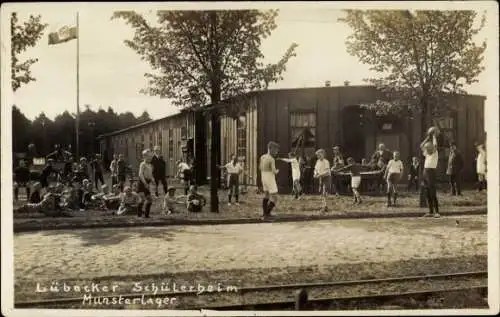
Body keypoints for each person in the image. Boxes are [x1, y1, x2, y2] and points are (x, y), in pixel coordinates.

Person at [421, 127, 440, 218]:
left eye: (428, 147)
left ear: (431, 148)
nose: (426, 149)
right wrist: (427, 138)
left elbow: (435, 145)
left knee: (433, 192)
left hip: (431, 172)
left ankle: (437, 212)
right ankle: (430, 211)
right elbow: (421, 145)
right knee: (427, 192)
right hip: (425, 172)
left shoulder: (435, 153)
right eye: (426, 148)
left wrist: (433, 136)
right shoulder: (427, 154)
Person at [259, 141, 280, 218]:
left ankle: (264, 213)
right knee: (275, 198)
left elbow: (260, 168)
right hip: (269, 177)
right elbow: (274, 171)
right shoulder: (271, 159)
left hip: (263, 176)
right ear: (270, 149)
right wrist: (277, 171)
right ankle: (267, 213)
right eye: (276, 150)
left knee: (266, 195)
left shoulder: (262, 157)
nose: (276, 152)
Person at [137, 149, 154, 218]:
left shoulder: (150, 165)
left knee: (150, 199)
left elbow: (150, 175)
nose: (150, 158)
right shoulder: (142, 164)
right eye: (148, 156)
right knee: (142, 199)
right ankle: (139, 214)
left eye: (150, 156)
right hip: (142, 183)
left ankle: (146, 215)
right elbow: (140, 174)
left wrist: (153, 181)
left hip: (147, 182)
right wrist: (144, 183)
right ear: (144, 157)